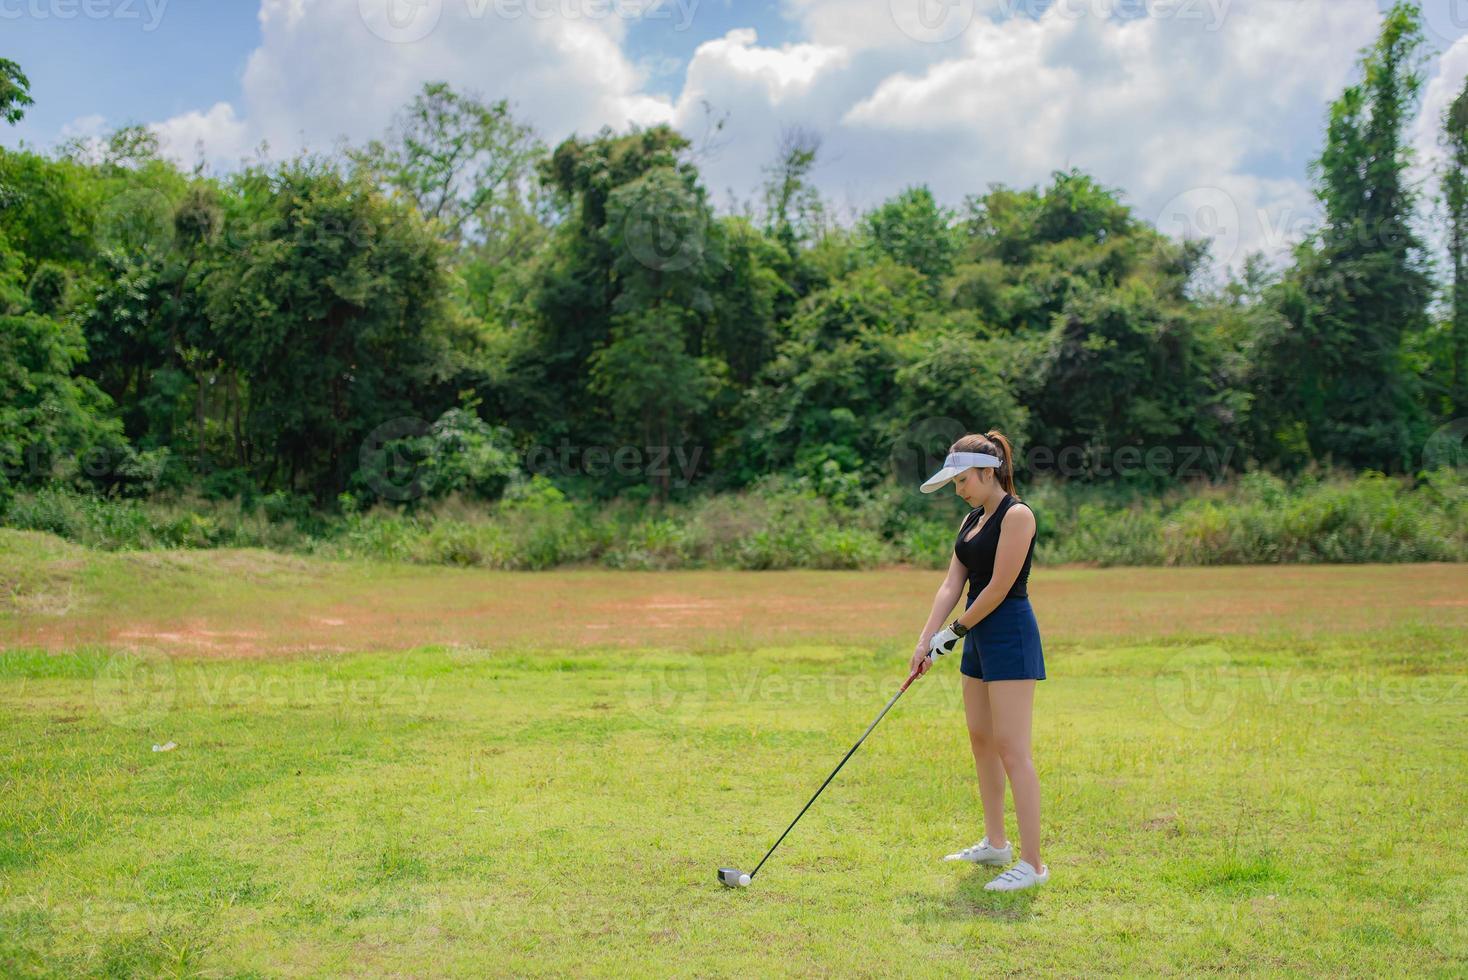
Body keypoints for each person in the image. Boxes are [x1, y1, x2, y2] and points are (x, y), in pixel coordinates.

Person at [910, 430, 1048, 892]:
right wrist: (927, 637)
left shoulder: (1018, 516)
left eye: (963, 479)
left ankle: (1033, 864)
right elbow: (952, 584)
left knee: (1013, 747)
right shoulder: (972, 519)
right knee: (982, 740)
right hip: (978, 635)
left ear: (989, 473)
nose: (958, 488)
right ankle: (996, 843)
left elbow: (999, 586)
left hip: (1008, 632)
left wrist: (955, 632)